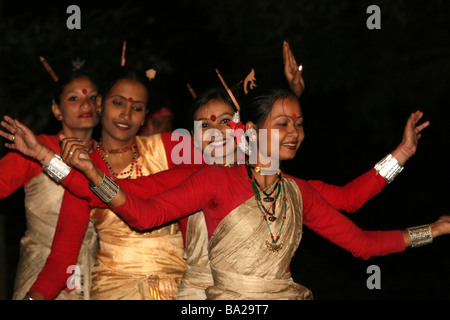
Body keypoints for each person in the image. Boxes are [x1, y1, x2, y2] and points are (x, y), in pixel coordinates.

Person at [68, 87, 449, 300]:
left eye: (298, 123)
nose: (294, 131)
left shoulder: (298, 193)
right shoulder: (202, 178)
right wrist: (65, 164)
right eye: (283, 123)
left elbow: (359, 234)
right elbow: (138, 210)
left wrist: (433, 227)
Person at [1, 66, 207, 300]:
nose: (126, 115)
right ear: (101, 105)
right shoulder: (84, 170)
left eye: (137, 108)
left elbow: (221, 168)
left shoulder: (170, 148)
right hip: (112, 292)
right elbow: (62, 258)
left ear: (145, 115)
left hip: (179, 289)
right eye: (118, 103)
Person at [0, 67, 100, 300]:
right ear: (57, 110)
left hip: (98, 278)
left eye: (92, 97)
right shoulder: (34, 148)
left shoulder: (110, 157)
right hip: (40, 274)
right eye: (74, 98)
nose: (86, 104)